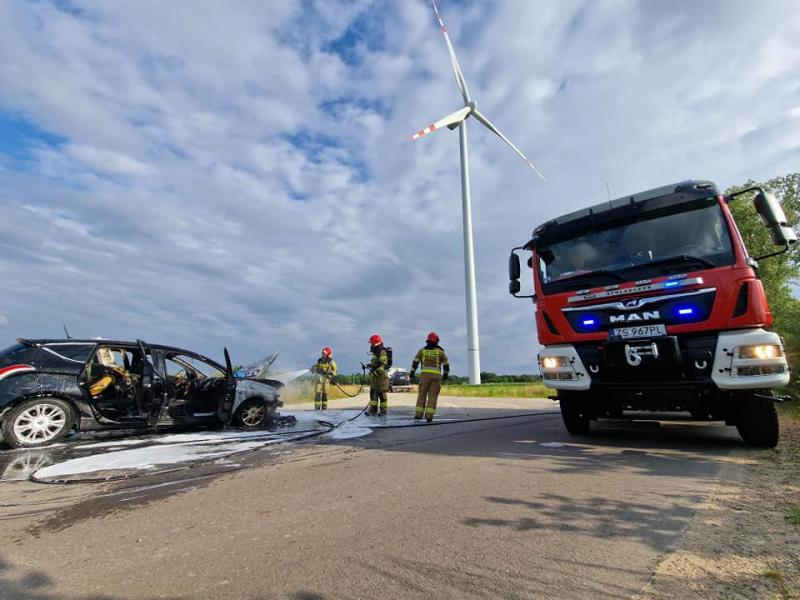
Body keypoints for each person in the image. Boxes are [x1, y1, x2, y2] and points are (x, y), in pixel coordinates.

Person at [409, 332, 449, 422]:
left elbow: (415, 363)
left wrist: (412, 373)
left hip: (424, 376)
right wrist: (445, 376)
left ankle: (418, 415)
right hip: (436, 377)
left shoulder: (422, 351)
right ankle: (429, 416)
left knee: (421, 395)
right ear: (436, 342)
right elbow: (446, 365)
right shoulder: (440, 352)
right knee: (432, 396)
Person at [365, 334, 389, 416]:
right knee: (373, 394)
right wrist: (369, 366)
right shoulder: (376, 353)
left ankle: (383, 412)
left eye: (371, 343)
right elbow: (375, 363)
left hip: (381, 377)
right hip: (375, 377)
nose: (371, 345)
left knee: (382, 394)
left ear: (375, 343)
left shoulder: (382, 352)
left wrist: (376, 372)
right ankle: (372, 411)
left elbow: (383, 365)